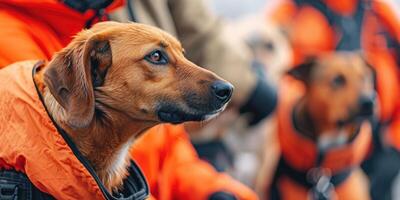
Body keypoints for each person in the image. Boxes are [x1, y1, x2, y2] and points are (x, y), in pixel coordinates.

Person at [0, 0, 277, 199]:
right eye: (157, 59)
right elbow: (51, 154)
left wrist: (212, 191)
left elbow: (167, 154)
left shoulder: (110, 27)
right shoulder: (14, 41)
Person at [268, 0, 400, 199]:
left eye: (365, 78)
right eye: (339, 81)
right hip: (303, 163)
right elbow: (275, 78)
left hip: (379, 152)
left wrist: (396, 143)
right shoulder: (292, 12)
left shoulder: (381, 13)